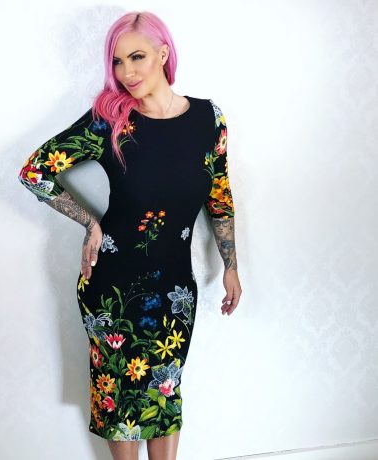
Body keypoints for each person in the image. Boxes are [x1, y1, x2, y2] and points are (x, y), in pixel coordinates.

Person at [18, 10, 242, 460]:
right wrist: (90, 222)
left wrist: (231, 266)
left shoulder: (208, 119)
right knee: (118, 401)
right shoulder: (111, 120)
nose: (126, 72)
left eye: (136, 57)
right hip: (112, 286)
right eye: (117, 61)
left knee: (166, 391)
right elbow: (34, 171)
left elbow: (218, 195)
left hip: (175, 288)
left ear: (163, 53)